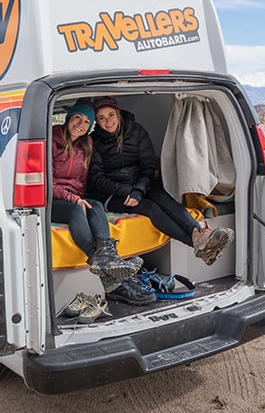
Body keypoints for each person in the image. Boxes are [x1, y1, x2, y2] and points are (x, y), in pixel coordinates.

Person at [87, 96, 234, 293]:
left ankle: (200, 235)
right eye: (102, 118)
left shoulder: (136, 131)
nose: (108, 121)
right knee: (151, 208)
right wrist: (127, 192)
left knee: (163, 197)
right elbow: (96, 178)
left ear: (118, 113)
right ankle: (197, 243)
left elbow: (148, 165)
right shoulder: (93, 141)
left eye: (111, 115)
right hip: (111, 194)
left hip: (139, 185)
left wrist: (139, 189)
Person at [51, 101, 143, 302]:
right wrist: (74, 200)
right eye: (77, 117)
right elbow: (46, 182)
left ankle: (107, 256)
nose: (80, 124)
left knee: (96, 205)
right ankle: (99, 260)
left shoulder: (86, 145)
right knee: (76, 210)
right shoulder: (50, 140)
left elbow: (82, 180)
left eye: (86, 121)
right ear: (68, 118)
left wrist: (81, 199)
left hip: (73, 197)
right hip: (49, 200)